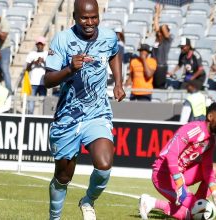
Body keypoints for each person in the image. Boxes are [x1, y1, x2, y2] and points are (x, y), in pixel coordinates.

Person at [44, 0, 126, 219]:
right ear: (75, 17)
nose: (90, 22)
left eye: (94, 17)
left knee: (104, 164)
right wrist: (69, 68)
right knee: (63, 177)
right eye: (84, 18)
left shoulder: (109, 36)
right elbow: (47, 80)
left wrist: (118, 83)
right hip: (68, 117)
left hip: (97, 113)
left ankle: (88, 200)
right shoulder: (62, 40)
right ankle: (55, 217)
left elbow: (114, 53)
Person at [139, 102, 216, 220]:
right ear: (210, 117)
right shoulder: (194, 129)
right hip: (163, 174)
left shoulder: (211, 140)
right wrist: (179, 182)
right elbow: (171, 154)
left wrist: (214, 191)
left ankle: (195, 203)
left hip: (182, 174)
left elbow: (207, 168)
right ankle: (151, 202)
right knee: (193, 214)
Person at [25, 36, 48, 114]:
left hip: (43, 83)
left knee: (43, 103)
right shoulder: (32, 54)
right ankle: (29, 118)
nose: (39, 46)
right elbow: (27, 68)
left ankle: (43, 118)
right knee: (31, 103)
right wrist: (33, 62)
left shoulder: (46, 54)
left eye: (41, 44)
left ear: (44, 45)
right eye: (38, 44)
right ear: (36, 45)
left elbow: (49, 68)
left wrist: (43, 61)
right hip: (33, 82)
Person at [152, 3, 172, 89]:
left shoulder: (167, 40)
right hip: (153, 67)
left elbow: (163, 27)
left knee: (159, 87)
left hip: (161, 67)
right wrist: (157, 12)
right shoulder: (158, 39)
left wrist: (159, 12)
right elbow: (156, 26)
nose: (159, 31)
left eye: (161, 31)